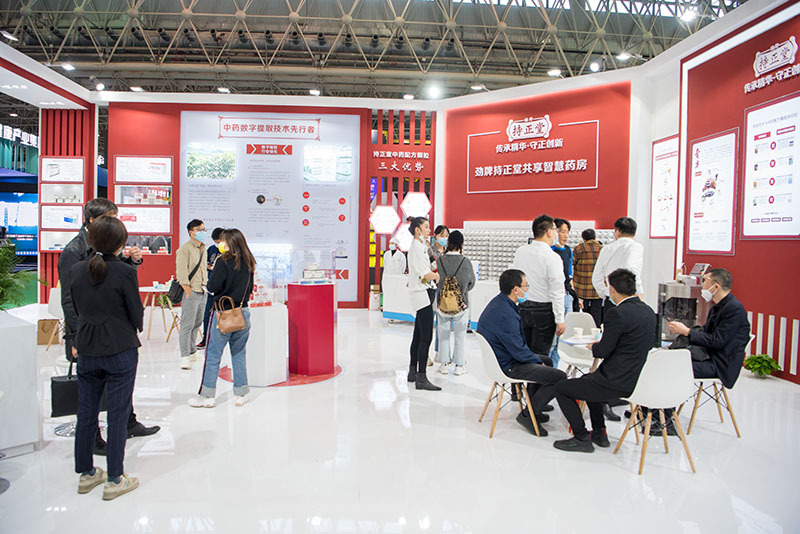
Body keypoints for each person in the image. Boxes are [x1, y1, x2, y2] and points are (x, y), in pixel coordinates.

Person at [57, 198, 159, 456]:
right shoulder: (73, 252)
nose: (115, 223)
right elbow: (69, 300)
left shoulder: (102, 247)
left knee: (119, 389)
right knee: (90, 398)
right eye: (110, 218)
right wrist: (75, 337)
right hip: (88, 335)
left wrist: (131, 263)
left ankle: (127, 424)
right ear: (93, 221)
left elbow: (113, 280)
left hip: (113, 336)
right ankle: (95, 443)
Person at [71, 216, 143, 500]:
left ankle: (86, 474)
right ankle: (115, 478)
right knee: (118, 414)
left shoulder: (77, 270)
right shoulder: (125, 272)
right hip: (120, 349)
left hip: (87, 349)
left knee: (86, 413)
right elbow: (136, 313)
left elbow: (76, 308)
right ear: (120, 242)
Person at [552, 269, 657, 453]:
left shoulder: (617, 313)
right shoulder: (648, 311)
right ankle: (599, 432)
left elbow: (603, 351)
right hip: (638, 379)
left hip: (614, 381)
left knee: (561, 387)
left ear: (613, 289)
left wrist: (594, 347)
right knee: (588, 380)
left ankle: (581, 437)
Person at [477, 269, 566, 436]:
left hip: (504, 357)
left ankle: (533, 408)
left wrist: (536, 359)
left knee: (547, 361)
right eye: (526, 286)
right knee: (559, 377)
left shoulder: (500, 303)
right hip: (508, 365)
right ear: (515, 289)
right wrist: (535, 360)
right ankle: (527, 415)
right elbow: (518, 351)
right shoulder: (505, 314)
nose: (527, 289)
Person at [189, 229, 255, 407]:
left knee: (213, 354)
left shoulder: (222, 261)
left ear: (230, 243)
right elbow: (249, 289)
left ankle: (207, 396)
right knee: (239, 354)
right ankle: (241, 393)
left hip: (223, 313)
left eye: (223, 241)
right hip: (243, 312)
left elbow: (213, 286)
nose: (220, 244)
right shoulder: (249, 262)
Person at [668, 268, 751, 389]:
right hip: (708, 356)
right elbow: (707, 333)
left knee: (672, 366)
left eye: (705, 280)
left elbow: (717, 341)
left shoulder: (734, 309)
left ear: (716, 287)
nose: (702, 285)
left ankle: (669, 400)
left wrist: (686, 331)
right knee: (670, 360)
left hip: (720, 365)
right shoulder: (717, 307)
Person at [512, 214, 566, 363]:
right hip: (544, 311)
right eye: (555, 230)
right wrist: (560, 318)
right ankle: (537, 380)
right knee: (540, 357)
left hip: (523, 308)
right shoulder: (552, 257)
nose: (556, 233)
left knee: (523, 353)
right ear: (549, 232)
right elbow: (557, 290)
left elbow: (514, 278)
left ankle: (523, 379)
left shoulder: (521, 252)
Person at [406, 217, 442, 391]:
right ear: (417, 230)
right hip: (422, 293)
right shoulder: (416, 248)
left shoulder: (421, 247)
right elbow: (424, 273)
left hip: (423, 292)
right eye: (426, 227)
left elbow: (428, 267)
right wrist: (436, 276)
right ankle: (421, 377)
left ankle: (413, 372)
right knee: (426, 336)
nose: (429, 230)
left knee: (418, 334)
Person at [435, 230, 476, 376]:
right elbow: (472, 282)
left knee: (443, 334)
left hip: (442, 302)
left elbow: (436, 280)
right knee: (460, 335)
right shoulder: (466, 262)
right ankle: (459, 365)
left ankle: (444, 364)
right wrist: (461, 291)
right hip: (461, 304)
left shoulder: (440, 260)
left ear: (448, 242)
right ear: (462, 244)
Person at [592, 217, 644, 315]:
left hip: (611, 299)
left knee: (610, 323)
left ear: (618, 231)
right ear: (634, 233)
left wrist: (606, 293)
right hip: (629, 299)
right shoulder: (636, 247)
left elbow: (596, 278)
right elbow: (633, 271)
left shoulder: (606, 249)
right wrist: (639, 292)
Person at [176, 219, 208, 370]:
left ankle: (192, 351)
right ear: (191, 232)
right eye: (199, 230)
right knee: (187, 325)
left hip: (202, 290)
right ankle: (184, 357)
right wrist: (188, 291)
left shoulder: (203, 248)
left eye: (203, 229)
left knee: (197, 322)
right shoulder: (184, 249)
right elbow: (181, 274)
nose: (202, 232)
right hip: (191, 291)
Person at [549, 218, 575, 366]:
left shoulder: (568, 251)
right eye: (562, 232)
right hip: (554, 298)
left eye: (567, 232)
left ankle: (555, 368)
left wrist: (576, 297)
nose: (566, 235)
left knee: (562, 340)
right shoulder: (550, 251)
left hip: (567, 296)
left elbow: (569, 274)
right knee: (552, 339)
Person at [198, 227, 224, 349]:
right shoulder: (211, 250)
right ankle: (206, 338)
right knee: (207, 314)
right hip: (211, 288)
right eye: (216, 242)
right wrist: (209, 267)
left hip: (223, 290)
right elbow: (204, 264)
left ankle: (221, 340)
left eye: (219, 241)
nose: (217, 244)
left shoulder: (229, 252)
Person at [573, 228, 604, 327]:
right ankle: (596, 331)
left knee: (583, 313)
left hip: (581, 289)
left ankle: (583, 330)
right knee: (596, 313)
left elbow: (572, 264)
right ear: (595, 237)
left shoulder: (579, 248)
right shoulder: (602, 249)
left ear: (583, 238)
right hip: (597, 289)